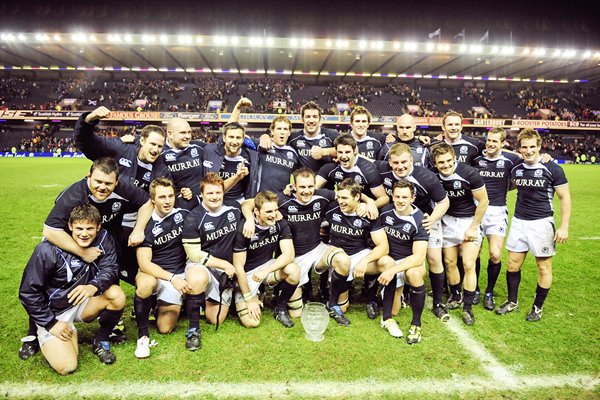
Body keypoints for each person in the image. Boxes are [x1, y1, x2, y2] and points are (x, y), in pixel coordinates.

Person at [19, 205, 126, 374]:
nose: (84, 233)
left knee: (116, 295)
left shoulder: (104, 238)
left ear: (98, 227)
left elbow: (110, 269)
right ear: (70, 227)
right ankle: (45, 333)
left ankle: (101, 339)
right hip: (54, 312)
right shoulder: (46, 250)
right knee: (67, 366)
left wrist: (94, 286)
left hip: (81, 303)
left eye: (90, 228)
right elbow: (28, 292)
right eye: (79, 228)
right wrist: (51, 323)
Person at [496, 128, 571, 322]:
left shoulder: (552, 168)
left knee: (543, 267)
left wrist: (564, 227)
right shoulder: (516, 166)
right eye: (524, 147)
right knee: (513, 264)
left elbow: (564, 197)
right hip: (519, 221)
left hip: (542, 223)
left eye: (532, 147)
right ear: (519, 149)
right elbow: (501, 152)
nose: (528, 151)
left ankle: (537, 307)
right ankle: (512, 301)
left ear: (539, 147)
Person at [134, 178, 209, 357]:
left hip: (180, 273)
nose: (167, 201)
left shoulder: (183, 215)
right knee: (144, 284)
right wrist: (171, 278)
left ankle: (193, 329)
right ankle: (143, 336)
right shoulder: (145, 224)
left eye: (170, 196)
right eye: (162, 197)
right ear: (153, 200)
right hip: (158, 275)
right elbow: (144, 263)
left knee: (165, 327)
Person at [377, 143, 450, 321]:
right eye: (395, 163)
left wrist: (432, 219)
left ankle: (438, 303)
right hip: (398, 220)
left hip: (424, 221)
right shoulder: (383, 170)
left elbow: (444, 202)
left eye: (404, 162)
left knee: (433, 259)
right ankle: (393, 293)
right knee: (392, 255)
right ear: (390, 162)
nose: (400, 166)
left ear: (411, 160)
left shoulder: (427, 177)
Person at [430, 143, 489, 325]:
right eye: (441, 162)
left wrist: (473, 226)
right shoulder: (432, 176)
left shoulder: (469, 173)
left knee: (468, 264)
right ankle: (456, 296)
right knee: (449, 262)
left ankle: (468, 307)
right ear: (435, 163)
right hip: (446, 221)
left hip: (468, 221)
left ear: (454, 157)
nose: (446, 165)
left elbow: (484, 200)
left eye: (449, 160)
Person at [321, 179, 389, 322]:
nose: (340, 202)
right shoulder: (331, 208)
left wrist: (365, 261)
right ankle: (333, 303)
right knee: (343, 307)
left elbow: (383, 246)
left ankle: (372, 300)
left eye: (345, 198)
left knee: (386, 262)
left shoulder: (368, 213)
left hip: (359, 254)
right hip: (338, 257)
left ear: (357, 197)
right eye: (339, 197)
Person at [181, 173, 244, 326]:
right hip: (204, 267)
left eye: (218, 192)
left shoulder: (234, 208)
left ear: (223, 193)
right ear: (202, 194)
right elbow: (194, 254)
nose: (215, 197)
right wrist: (224, 264)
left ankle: (213, 296)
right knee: (197, 278)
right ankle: (192, 309)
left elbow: (251, 204)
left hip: (227, 271)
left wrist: (248, 219)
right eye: (210, 193)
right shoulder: (193, 218)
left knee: (215, 318)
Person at [233, 191, 299, 328]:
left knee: (293, 270)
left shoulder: (280, 223)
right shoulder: (245, 228)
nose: (274, 215)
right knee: (252, 323)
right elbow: (238, 267)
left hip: (266, 269)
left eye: (275, 210)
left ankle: (280, 309)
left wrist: (266, 271)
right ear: (256, 211)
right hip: (247, 275)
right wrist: (249, 299)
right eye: (269, 211)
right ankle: (243, 297)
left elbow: (289, 254)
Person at [472, 128, 521, 311]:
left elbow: (527, 160)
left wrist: (545, 157)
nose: (491, 144)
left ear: (503, 143)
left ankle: (489, 292)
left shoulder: (510, 160)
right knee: (474, 253)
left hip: (497, 211)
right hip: (476, 210)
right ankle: (475, 289)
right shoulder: (476, 159)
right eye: (489, 140)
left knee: (495, 254)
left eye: (495, 141)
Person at [376, 180, 429, 343]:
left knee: (413, 273)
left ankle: (416, 324)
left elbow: (419, 257)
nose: (400, 200)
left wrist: (393, 271)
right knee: (386, 262)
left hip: (409, 261)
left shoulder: (420, 219)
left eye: (405, 197)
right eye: (397, 196)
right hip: (390, 260)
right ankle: (387, 317)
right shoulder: (385, 211)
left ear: (413, 198)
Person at [74, 106, 171, 193]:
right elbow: (85, 142)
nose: (155, 149)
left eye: (159, 146)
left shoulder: (162, 169)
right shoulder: (120, 148)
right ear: (142, 140)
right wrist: (89, 119)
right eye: (153, 144)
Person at [316, 134, 389, 210]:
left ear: (355, 151)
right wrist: (332, 194)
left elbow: (384, 198)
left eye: (347, 152)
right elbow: (312, 189)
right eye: (340, 152)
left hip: (360, 212)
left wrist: (368, 206)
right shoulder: (330, 168)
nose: (344, 156)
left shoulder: (368, 170)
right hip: (339, 210)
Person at [203, 122, 258, 202]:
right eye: (231, 137)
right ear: (224, 138)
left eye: (238, 138)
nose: (235, 142)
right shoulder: (209, 151)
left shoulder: (251, 157)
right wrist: (237, 177)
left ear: (243, 139)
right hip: (214, 199)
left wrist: (265, 136)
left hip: (239, 201)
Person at [161, 118, 204, 210]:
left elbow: (223, 141)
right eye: (183, 133)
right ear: (170, 134)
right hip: (179, 204)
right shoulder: (160, 154)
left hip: (204, 200)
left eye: (189, 132)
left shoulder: (198, 147)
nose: (188, 136)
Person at [287, 101, 339, 173]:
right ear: (302, 119)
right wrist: (265, 136)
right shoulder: (293, 139)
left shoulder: (331, 134)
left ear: (320, 120)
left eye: (315, 117)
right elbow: (275, 141)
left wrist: (324, 152)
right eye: (308, 117)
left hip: (327, 183)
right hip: (304, 183)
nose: (311, 120)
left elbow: (352, 148)